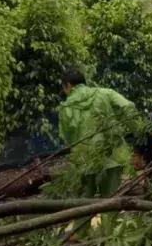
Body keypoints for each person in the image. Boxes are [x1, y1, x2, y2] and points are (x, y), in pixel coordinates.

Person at [59, 69, 139, 198]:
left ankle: (84, 218)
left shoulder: (66, 107)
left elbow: (67, 137)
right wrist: (134, 130)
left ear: (68, 85)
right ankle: (109, 217)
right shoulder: (105, 93)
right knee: (111, 202)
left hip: (84, 160)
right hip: (112, 156)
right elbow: (128, 107)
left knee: (83, 204)